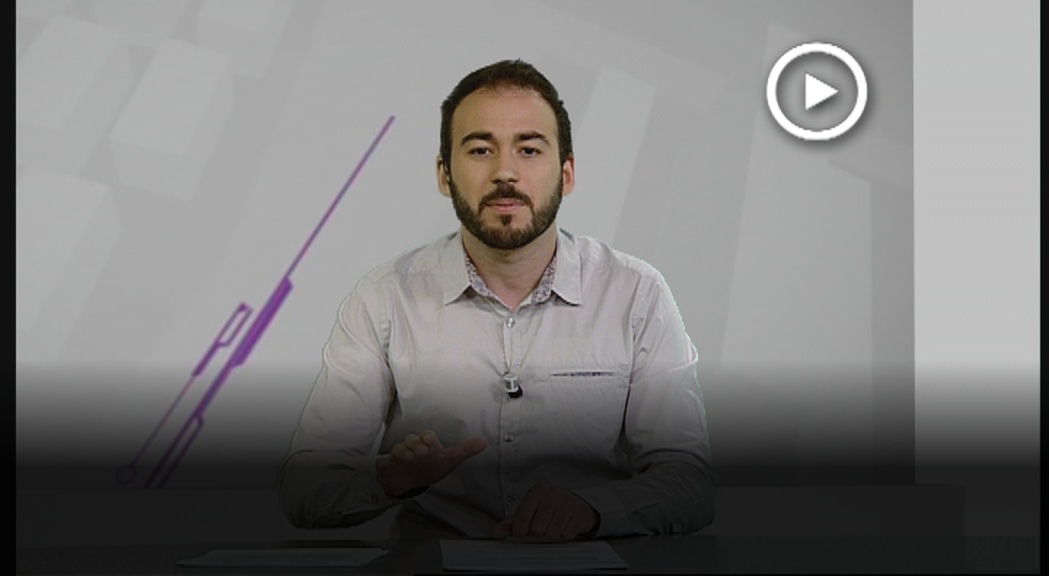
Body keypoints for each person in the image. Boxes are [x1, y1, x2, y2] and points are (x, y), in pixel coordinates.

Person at [278, 59, 715, 540]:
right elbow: (305, 490)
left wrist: (593, 510)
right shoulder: (383, 300)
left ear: (567, 174)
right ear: (444, 175)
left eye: (529, 149)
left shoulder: (635, 294)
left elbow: (690, 481)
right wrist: (387, 479)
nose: (505, 172)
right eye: (480, 150)